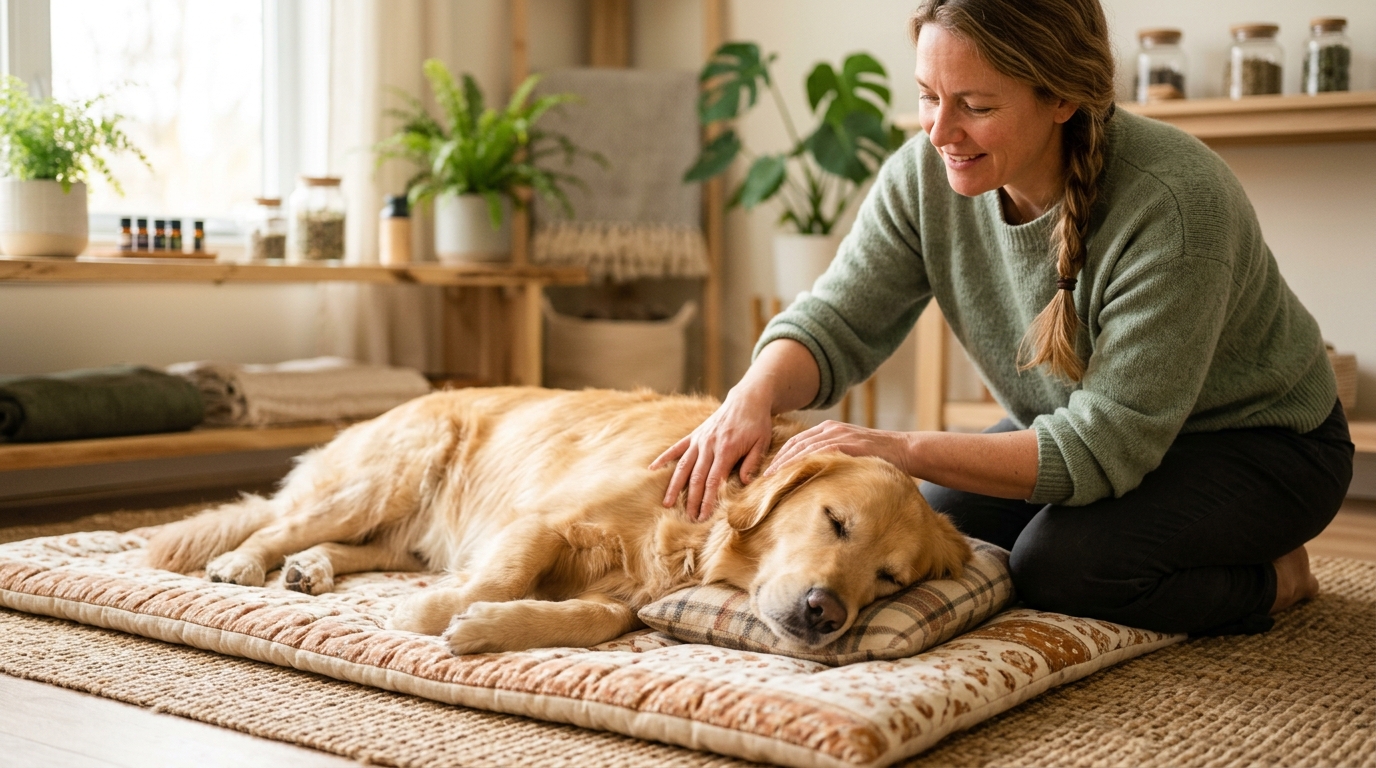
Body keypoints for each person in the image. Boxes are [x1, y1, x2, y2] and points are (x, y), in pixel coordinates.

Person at [652, 0, 1354, 637]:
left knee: (1061, 569)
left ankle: (1273, 578)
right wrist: (751, 395)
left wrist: (898, 444)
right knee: (931, 528)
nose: (940, 130)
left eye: (976, 106)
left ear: (1064, 98)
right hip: (1089, 427)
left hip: (1260, 447)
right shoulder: (922, 176)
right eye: (928, 96)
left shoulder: (1175, 201)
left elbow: (1105, 444)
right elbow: (837, 318)